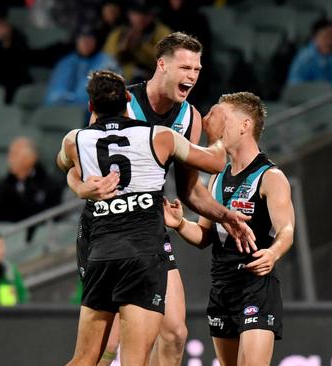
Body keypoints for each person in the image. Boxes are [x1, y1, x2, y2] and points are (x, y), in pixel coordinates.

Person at [66, 32, 255, 366]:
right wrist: (82, 189)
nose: (192, 76)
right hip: (104, 231)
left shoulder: (189, 118)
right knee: (105, 346)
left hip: (146, 232)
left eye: (197, 69)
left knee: (175, 333)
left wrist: (226, 217)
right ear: (162, 65)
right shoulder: (120, 102)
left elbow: (190, 189)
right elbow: (79, 162)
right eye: (184, 67)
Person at [163, 92, 295, 366]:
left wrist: (273, 254)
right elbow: (204, 236)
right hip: (222, 286)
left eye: (223, 116)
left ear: (245, 125)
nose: (215, 122)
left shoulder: (271, 177)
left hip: (256, 286)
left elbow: (287, 231)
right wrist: (179, 224)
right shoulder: (217, 178)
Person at [0, 137, 63, 239]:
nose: (9, 159)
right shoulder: (0, 189)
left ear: (31, 158)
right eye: (9, 155)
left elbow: (52, 218)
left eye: (14, 155)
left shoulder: (50, 186)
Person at [44, 24, 120, 106]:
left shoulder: (106, 61)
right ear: (76, 40)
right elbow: (53, 96)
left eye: (90, 38)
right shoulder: (66, 62)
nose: (86, 42)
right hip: (66, 112)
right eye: (82, 38)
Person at [103, 0, 172, 82]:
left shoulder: (162, 32)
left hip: (154, 81)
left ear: (152, 15)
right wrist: (122, 49)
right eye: (136, 13)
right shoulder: (118, 33)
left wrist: (140, 46)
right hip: (123, 81)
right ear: (129, 14)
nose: (140, 17)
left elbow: (167, 61)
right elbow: (107, 60)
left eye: (145, 14)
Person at [286, 18, 332, 89]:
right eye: (326, 36)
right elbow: (295, 84)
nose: (331, 41)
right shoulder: (304, 58)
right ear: (314, 38)